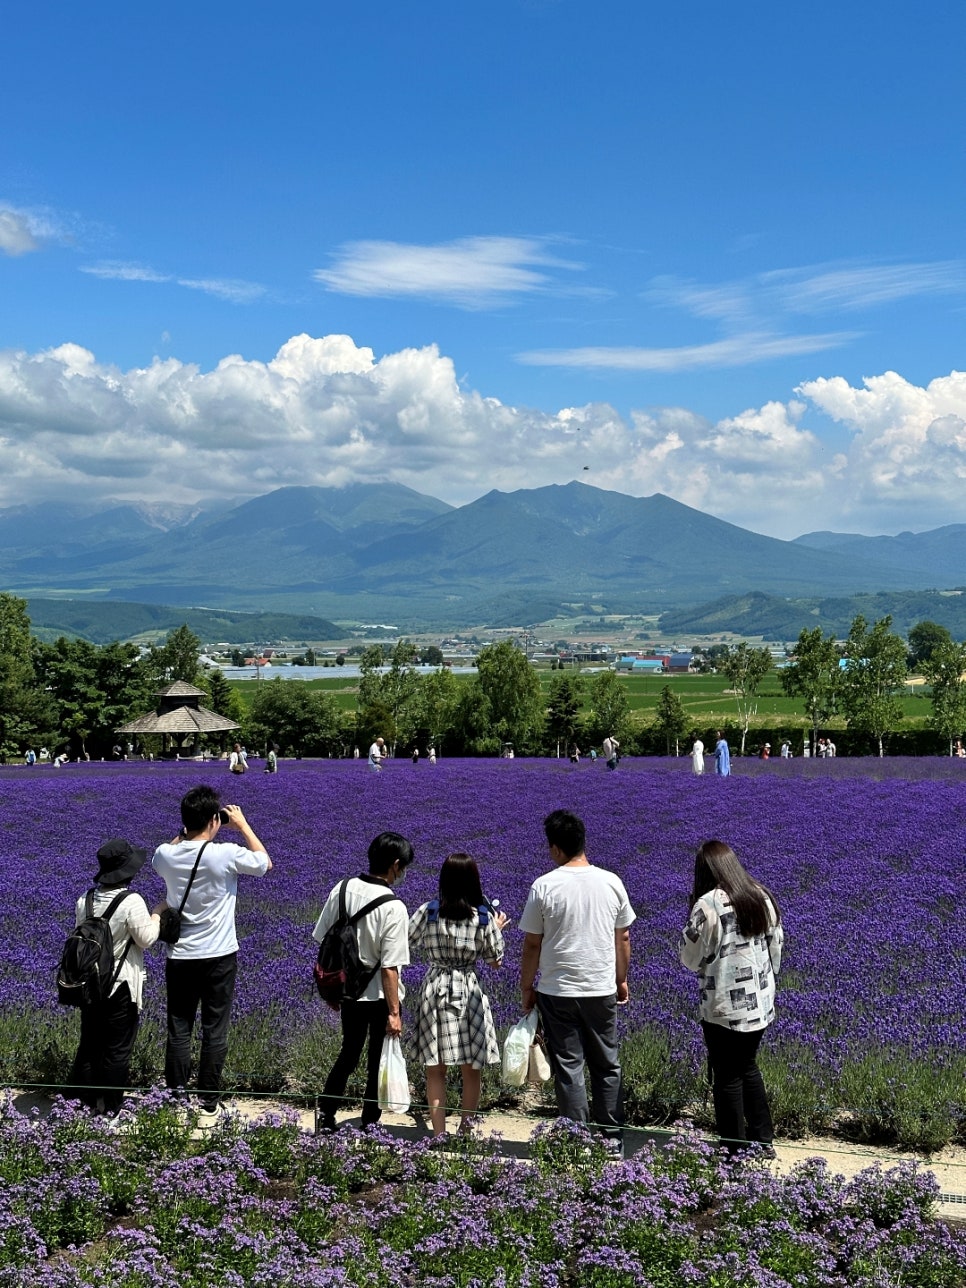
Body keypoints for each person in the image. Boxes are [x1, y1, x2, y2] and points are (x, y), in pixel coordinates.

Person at [519, 809, 635, 1148]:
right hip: (600, 987)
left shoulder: (544, 885)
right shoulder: (611, 881)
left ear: (556, 849)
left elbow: (532, 943)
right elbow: (623, 937)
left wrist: (527, 986)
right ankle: (611, 1136)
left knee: (569, 1066)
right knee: (607, 1063)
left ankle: (576, 1139)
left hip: (557, 990)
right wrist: (621, 979)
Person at [153, 785, 271, 1115]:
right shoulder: (226, 854)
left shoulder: (165, 855)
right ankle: (208, 1105)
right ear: (213, 821)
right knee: (214, 1031)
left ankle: (174, 1101)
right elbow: (264, 862)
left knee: (179, 1029)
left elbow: (163, 853)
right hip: (219, 955)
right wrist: (243, 825)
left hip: (180, 956)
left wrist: (187, 831)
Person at [679, 840, 783, 1156]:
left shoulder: (707, 905)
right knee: (748, 1066)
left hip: (722, 1006)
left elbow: (689, 957)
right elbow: (776, 947)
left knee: (726, 1076)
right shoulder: (760, 895)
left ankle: (733, 1151)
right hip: (760, 1004)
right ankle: (762, 1141)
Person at [314, 832, 414, 1130]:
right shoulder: (394, 907)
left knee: (348, 1052)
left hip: (349, 991)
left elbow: (322, 938)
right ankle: (370, 1123)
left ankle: (326, 1112)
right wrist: (395, 1014)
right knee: (377, 1060)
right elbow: (390, 969)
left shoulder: (342, 889)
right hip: (380, 997)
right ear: (395, 865)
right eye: (403, 867)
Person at [408, 853, 508, 1135]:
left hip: (435, 988)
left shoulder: (428, 912)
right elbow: (495, 961)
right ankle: (465, 1130)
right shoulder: (483, 917)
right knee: (470, 1068)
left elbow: (403, 941)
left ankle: (439, 1134)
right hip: (467, 989)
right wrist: (496, 930)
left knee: (435, 1069)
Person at [68, 840, 163, 1116]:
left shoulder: (85, 899)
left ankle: (81, 1107)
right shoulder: (131, 901)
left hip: (90, 985)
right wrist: (157, 915)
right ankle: (111, 1110)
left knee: (89, 1044)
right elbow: (145, 940)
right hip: (120, 986)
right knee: (117, 1049)